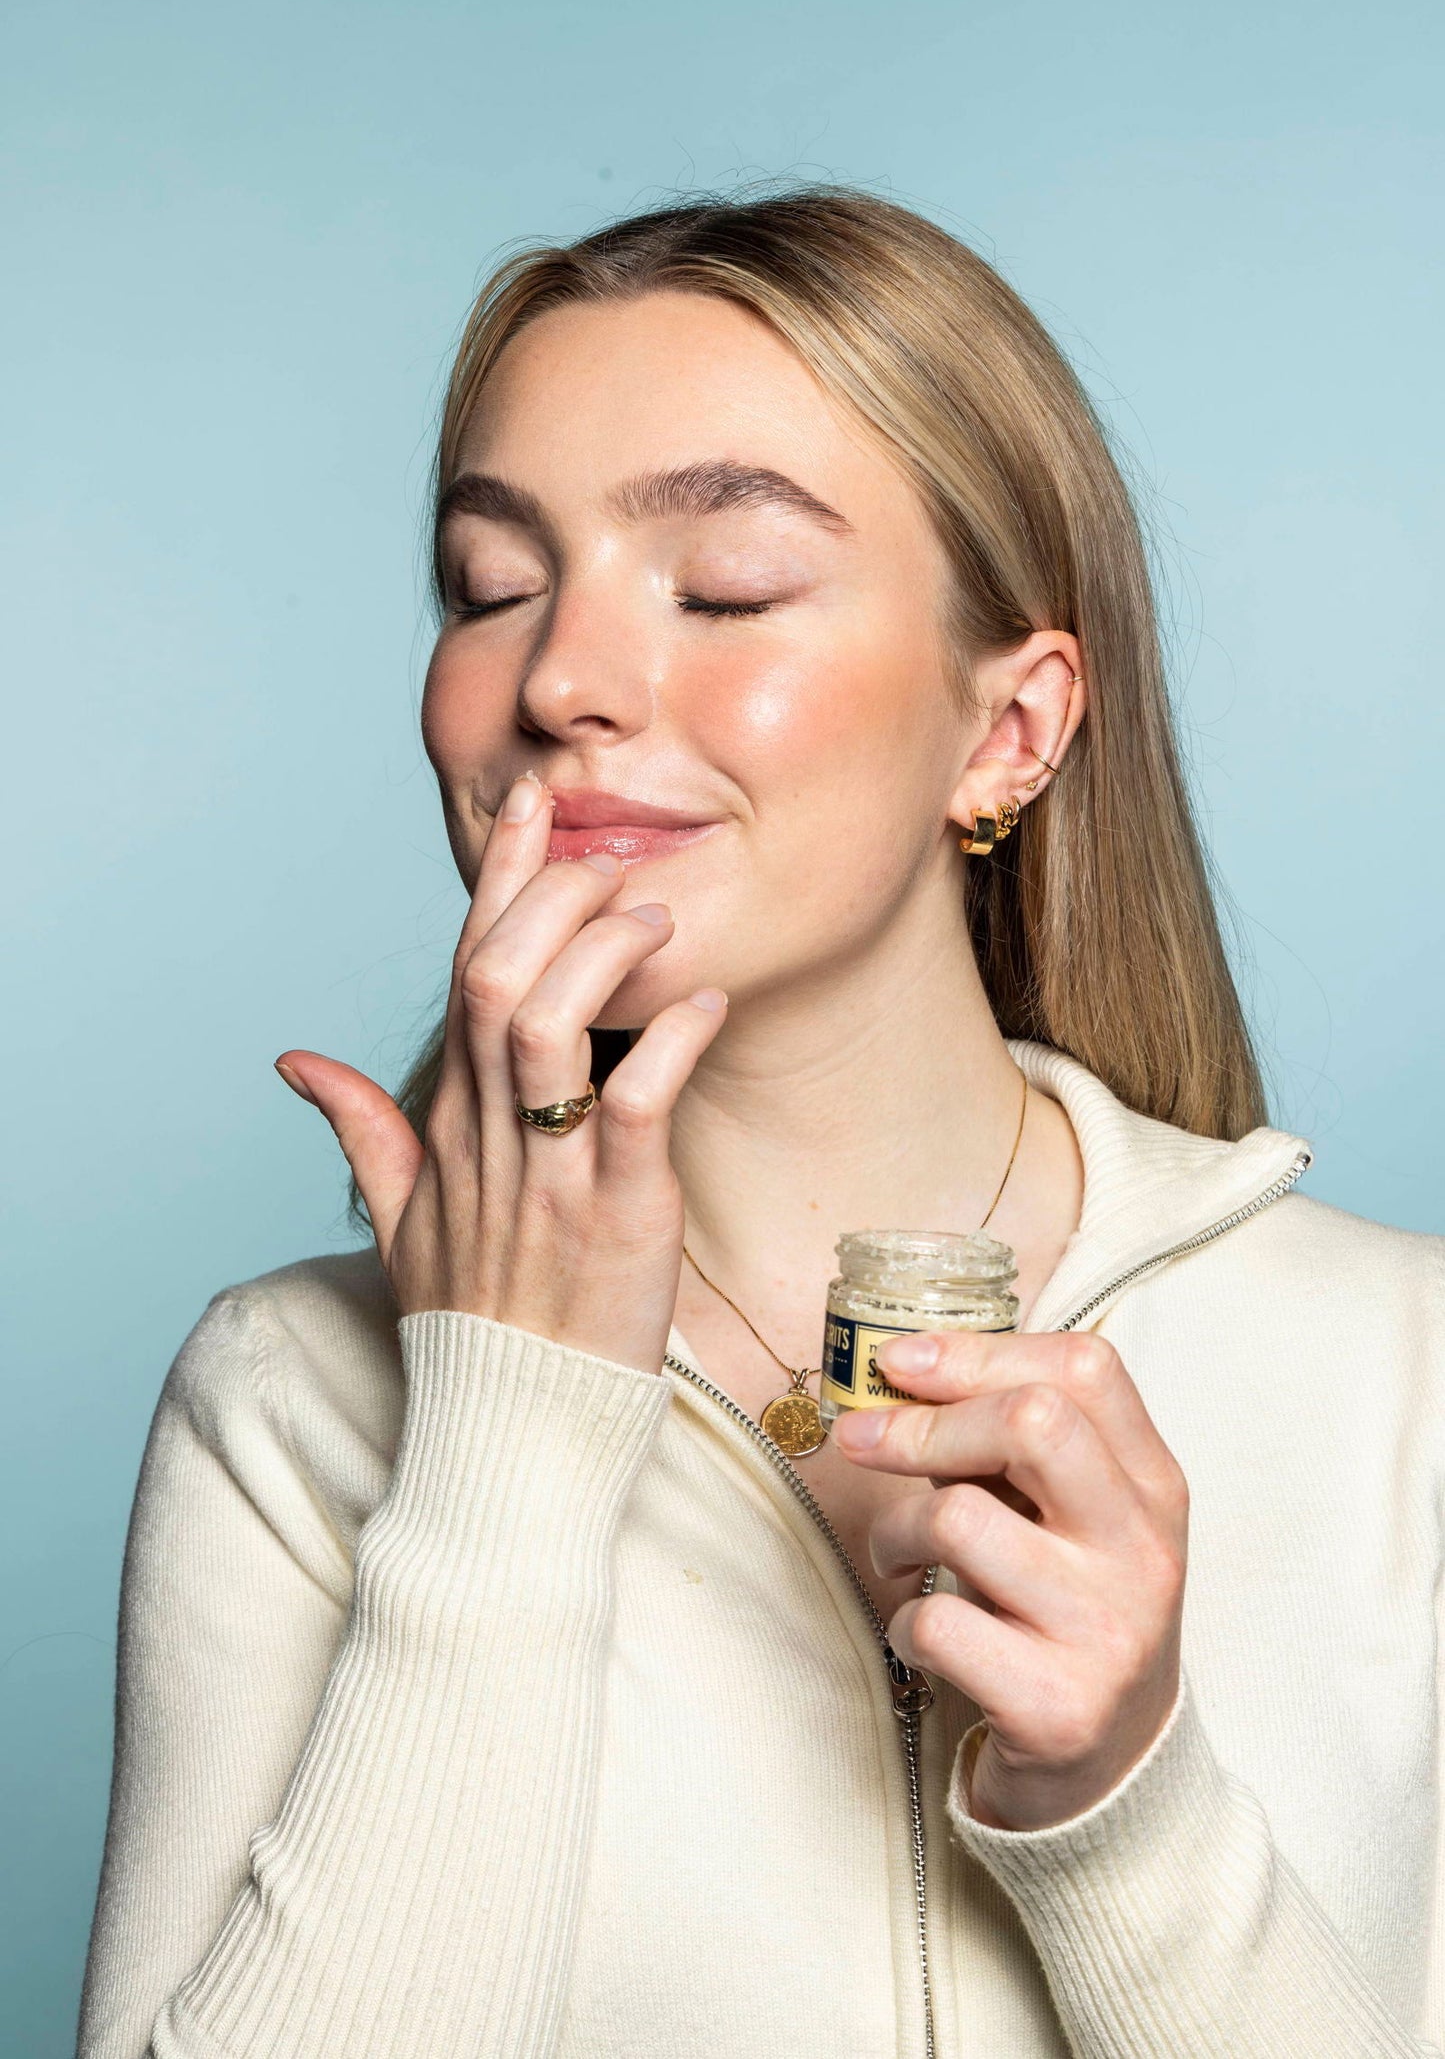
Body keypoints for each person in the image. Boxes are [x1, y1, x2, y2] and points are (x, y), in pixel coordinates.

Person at [77, 187, 1444, 2059]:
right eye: (490, 587)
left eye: (720, 588)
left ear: (1009, 731)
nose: (557, 682)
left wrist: (1121, 1811)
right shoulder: (295, 1399)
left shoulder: (1403, 1379)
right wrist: (505, 1438)